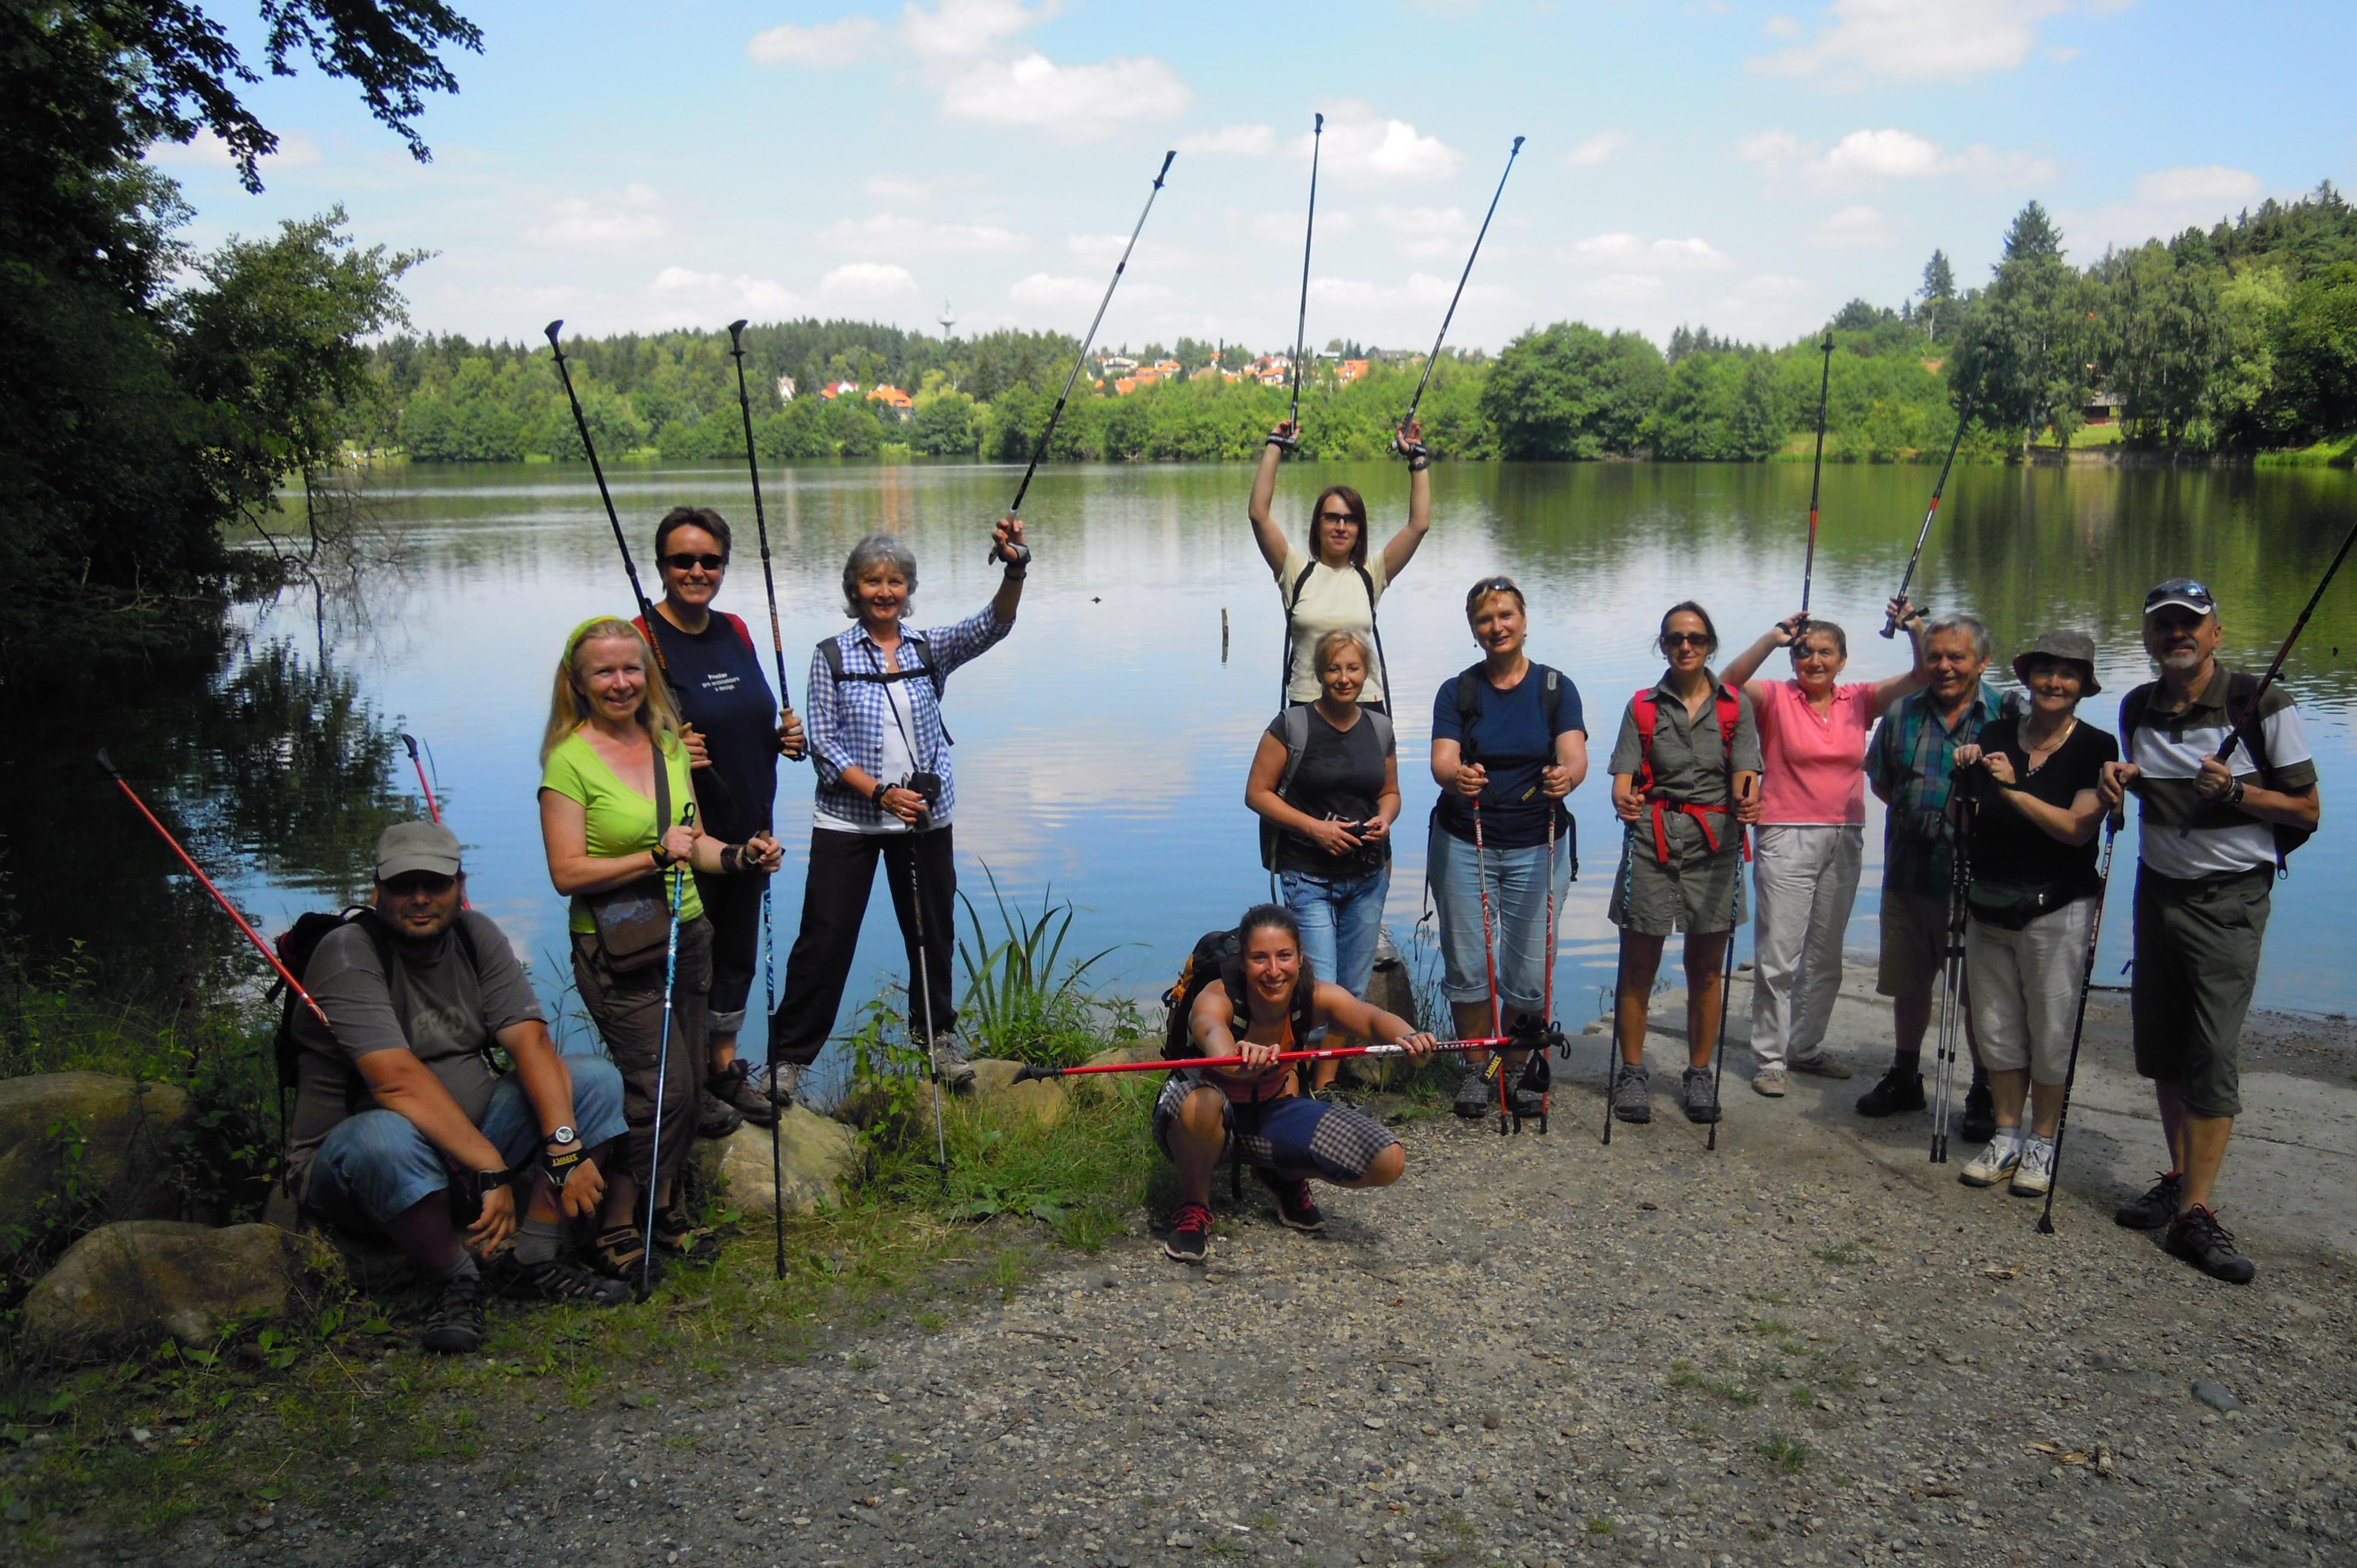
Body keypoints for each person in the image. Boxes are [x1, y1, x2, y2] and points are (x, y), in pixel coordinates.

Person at [289, 821, 635, 1353]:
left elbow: (532, 1044)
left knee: (591, 1078)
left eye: (436, 883)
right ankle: (455, 1277)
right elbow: (395, 1081)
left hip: (467, 1153)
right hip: (357, 1164)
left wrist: (564, 1146)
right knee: (384, 1135)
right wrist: (490, 1165)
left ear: (459, 885)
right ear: (376, 890)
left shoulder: (476, 937)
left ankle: (534, 1260)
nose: (421, 898)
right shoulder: (346, 954)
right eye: (404, 886)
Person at [538, 617, 783, 1280]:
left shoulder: (667, 742)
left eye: (631, 669)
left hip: (689, 928)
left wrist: (739, 855)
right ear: (579, 682)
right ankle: (617, 1224)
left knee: (693, 1078)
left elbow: (695, 840)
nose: (621, 682)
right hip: (617, 946)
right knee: (663, 1087)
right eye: (604, 671)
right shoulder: (569, 759)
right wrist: (651, 854)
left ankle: (665, 1209)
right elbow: (566, 872)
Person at [2100, 578, 2319, 1284]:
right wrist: (2122, 780)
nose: (2177, 636)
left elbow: (2307, 811)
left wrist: (2235, 791)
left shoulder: (2262, 702)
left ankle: (2196, 1212)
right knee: (2163, 1049)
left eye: (2190, 625)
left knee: (2212, 1050)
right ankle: (2180, 1176)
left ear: (2216, 634)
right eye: (2163, 626)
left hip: (2230, 900)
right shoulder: (2136, 706)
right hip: (2156, 891)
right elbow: (2158, 791)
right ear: (2148, 638)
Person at [767, 519, 1029, 1091]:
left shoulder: (929, 648)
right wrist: (880, 791)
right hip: (848, 820)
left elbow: (994, 625)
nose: (884, 591)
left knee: (930, 932)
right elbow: (825, 745)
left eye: (894, 581)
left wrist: (1015, 567)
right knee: (825, 937)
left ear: (908, 589)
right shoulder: (831, 655)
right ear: (853, 589)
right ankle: (787, 1059)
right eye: (871, 581)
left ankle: (937, 1040)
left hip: (924, 819)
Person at [634, 506, 807, 1134]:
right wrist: (665, 744)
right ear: (661, 566)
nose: (697, 570)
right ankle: (685, 1081)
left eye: (710, 560)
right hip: (684, 834)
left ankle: (724, 1067)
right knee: (688, 957)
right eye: (683, 560)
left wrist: (783, 736)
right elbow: (608, 735)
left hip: (750, 822)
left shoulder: (734, 627)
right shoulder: (638, 637)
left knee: (735, 952)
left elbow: (746, 713)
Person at [1719, 600, 1927, 1095]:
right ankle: (1770, 1058)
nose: (1814, 661)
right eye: (1805, 653)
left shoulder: (1858, 700)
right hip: (1784, 832)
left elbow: (1921, 676)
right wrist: (1772, 638)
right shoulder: (1773, 697)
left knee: (1825, 955)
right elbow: (1723, 685)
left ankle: (1805, 1047)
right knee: (1778, 956)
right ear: (1794, 659)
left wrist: (1915, 628)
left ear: (1842, 658)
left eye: (1825, 653)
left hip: (1845, 835)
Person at [1158, 904, 1437, 1263]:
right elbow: (1214, 1037)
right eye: (1260, 958)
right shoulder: (1216, 997)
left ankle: (1281, 1174)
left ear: (1300, 958)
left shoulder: (1316, 995)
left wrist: (1411, 1038)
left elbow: (1371, 1018)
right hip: (1195, 1117)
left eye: (1284, 956)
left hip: (1267, 1112)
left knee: (1388, 1161)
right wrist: (1240, 1063)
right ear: (1243, 961)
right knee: (1205, 1102)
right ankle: (1195, 1207)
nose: (1274, 971)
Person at [1948, 631, 2119, 1196]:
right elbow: (1968, 812)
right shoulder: (1996, 733)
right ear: (2027, 677)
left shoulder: (2097, 746)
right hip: (1989, 901)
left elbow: (2075, 829)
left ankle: (2042, 1141)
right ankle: (2005, 1134)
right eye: (2045, 671)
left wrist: (2012, 788)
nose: (2053, 683)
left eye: (2067, 675)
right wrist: (1967, 769)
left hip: (2058, 905)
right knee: (1994, 1026)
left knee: (2050, 1029)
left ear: (2082, 687)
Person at [1428, 576, 1587, 1119]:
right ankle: (1477, 1069)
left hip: (1536, 841)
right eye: (1484, 619)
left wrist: (1565, 777)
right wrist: (1457, 777)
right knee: (1468, 962)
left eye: (1505, 615)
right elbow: (1442, 761)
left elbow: (1574, 755)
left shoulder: (1554, 688)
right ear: (1474, 630)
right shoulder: (1459, 690)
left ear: (1523, 620)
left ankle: (1515, 1068)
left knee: (1529, 967)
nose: (1496, 626)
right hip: (1465, 837)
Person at [1604, 602, 1762, 1126]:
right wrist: (1624, 800)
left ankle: (1698, 1073)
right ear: (1664, 645)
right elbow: (1623, 780)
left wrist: (1749, 804)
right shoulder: (1642, 707)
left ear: (1710, 644)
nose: (1685, 646)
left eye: (1694, 638)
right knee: (1638, 967)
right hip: (1651, 844)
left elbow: (1747, 777)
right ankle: (1631, 1073)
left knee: (1704, 970)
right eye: (1675, 639)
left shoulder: (1734, 708)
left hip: (1713, 850)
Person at [1858, 612, 2005, 1137]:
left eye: (1956, 656)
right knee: (1909, 980)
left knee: (1979, 989)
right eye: (1934, 656)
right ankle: (1904, 1075)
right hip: (1908, 870)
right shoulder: (1901, 713)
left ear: (1982, 661)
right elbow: (1882, 781)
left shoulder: (2006, 714)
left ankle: (1985, 1087)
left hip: (1980, 876)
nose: (1943, 666)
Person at [1243, 629, 1401, 1097]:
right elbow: (1256, 793)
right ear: (1318, 674)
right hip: (1307, 875)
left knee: (1350, 990)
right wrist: (1315, 828)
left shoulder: (1379, 728)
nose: (1344, 677)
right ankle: (1292, 1086)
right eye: (1334, 668)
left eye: (1352, 668)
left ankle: (1325, 1085)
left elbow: (1390, 792)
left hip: (1367, 876)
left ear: (1364, 672)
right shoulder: (1292, 726)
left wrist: (1384, 819)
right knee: (1315, 988)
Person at [1248, 417, 1433, 711]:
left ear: (1360, 529)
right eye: (1332, 518)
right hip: (1307, 707)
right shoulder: (1295, 569)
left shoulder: (1370, 574)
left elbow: (1419, 525)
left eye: (1350, 520)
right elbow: (1259, 514)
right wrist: (1275, 446)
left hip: (1366, 707)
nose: (1341, 527)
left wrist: (1417, 457)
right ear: (1317, 525)